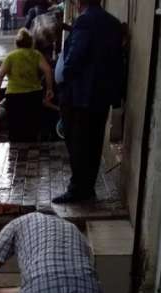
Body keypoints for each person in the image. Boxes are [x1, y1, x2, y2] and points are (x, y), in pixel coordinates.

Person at [52, 0, 123, 204]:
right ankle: (87, 188)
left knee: (78, 144)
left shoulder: (85, 22)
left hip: (79, 96)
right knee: (93, 143)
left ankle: (77, 190)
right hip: (100, 96)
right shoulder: (113, 23)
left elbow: (76, 56)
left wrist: (64, 77)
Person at [0, 28, 53, 142]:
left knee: (15, 129)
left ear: (17, 43)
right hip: (34, 95)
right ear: (31, 42)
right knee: (32, 128)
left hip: (14, 97)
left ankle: (16, 153)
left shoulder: (10, 56)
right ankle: (32, 151)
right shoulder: (36, 54)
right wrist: (49, 89)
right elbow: (48, 70)